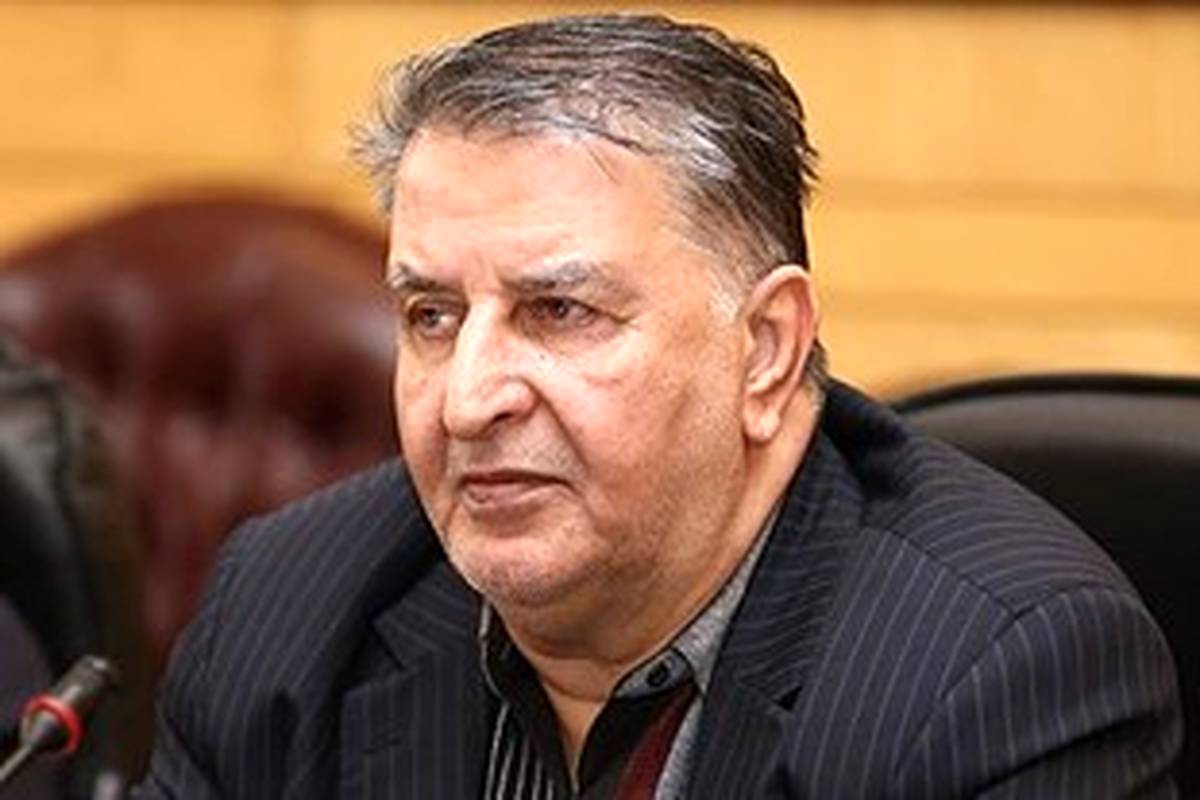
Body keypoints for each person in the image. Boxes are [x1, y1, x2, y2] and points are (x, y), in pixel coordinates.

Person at [135, 13, 1181, 799]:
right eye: (432, 316)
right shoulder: (287, 605)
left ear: (766, 349)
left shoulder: (1001, 672)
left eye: (559, 311)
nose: (467, 400)